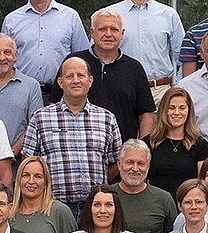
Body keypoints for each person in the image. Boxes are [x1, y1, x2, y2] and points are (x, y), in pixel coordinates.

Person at [22, 54, 123, 208]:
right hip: (53, 207)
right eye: (69, 76)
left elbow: (117, 161)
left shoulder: (107, 118)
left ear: (90, 81)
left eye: (81, 75)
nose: (76, 80)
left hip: (95, 207)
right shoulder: (41, 118)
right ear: (60, 82)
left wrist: (98, 185)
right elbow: (28, 162)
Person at [66, 8, 156, 145]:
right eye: (102, 29)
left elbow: (146, 114)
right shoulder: (74, 63)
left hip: (122, 150)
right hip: (78, 148)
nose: (108, 34)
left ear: (122, 34)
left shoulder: (134, 68)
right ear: (92, 33)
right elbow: (55, 104)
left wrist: (142, 147)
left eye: (114, 29)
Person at [3, 0, 90, 92]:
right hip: (21, 92)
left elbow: (82, 58)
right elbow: (4, 60)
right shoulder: (11, 20)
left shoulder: (70, 17)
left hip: (61, 93)